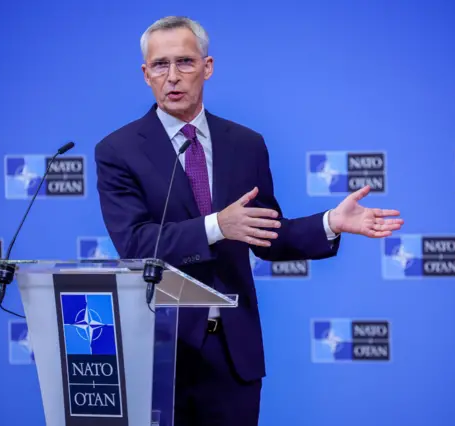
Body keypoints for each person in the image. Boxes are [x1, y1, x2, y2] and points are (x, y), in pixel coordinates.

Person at [94, 15, 404, 426]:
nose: (172, 76)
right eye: (160, 65)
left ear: (207, 67)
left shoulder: (245, 143)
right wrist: (217, 226)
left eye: (185, 62)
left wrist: (330, 222)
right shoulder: (117, 150)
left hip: (233, 355)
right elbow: (135, 245)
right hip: (159, 351)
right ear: (145, 74)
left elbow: (269, 236)